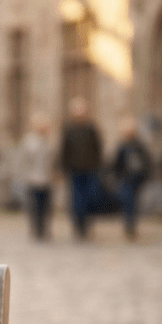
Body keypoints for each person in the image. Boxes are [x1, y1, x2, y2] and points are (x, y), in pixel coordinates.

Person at [60, 96, 102, 239]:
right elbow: (64, 150)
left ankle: (87, 225)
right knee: (77, 199)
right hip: (75, 169)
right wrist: (63, 167)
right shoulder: (69, 129)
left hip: (90, 169)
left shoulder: (91, 129)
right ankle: (78, 226)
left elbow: (97, 149)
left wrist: (98, 166)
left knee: (90, 198)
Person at [111, 120, 152, 240]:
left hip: (136, 179)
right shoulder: (123, 146)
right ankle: (129, 225)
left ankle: (130, 225)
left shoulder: (139, 145)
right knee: (128, 202)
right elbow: (116, 163)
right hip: (126, 178)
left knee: (132, 203)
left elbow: (147, 162)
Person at [15, 115, 54, 240]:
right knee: (35, 206)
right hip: (33, 179)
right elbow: (23, 160)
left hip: (47, 179)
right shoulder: (29, 141)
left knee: (46, 207)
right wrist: (24, 175)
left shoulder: (48, 140)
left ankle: (44, 229)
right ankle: (36, 229)